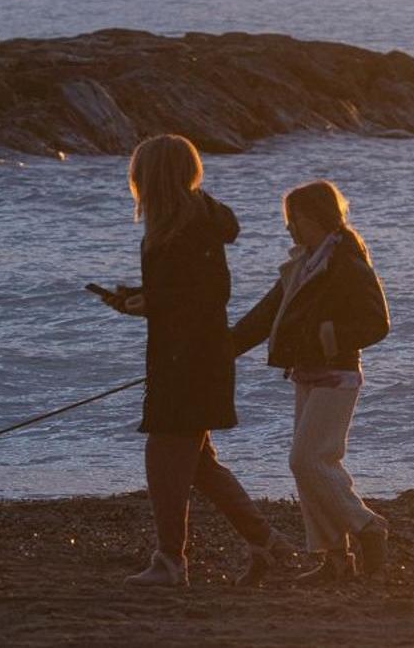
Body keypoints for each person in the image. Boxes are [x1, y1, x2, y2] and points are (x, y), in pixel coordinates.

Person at [103, 134, 294, 587]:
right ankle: (268, 544)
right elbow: (187, 294)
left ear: (152, 177)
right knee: (199, 465)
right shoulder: (187, 221)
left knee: (164, 454)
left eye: (139, 174)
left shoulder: (187, 227)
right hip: (187, 356)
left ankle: (170, 561)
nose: (135, 182)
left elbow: (207, 297)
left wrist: (151, 303)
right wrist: (140, 298)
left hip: (190, 362)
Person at [231, 179, 391, 584]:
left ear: (316, 217)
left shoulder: (347, 262)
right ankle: (336, 560)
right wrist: (218, 349)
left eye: (293, 219)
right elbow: (263, 318)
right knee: (310, 465)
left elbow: (377, 323)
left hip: (338, 374)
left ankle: (368, 527)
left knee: (309, 460)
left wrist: (330, 336)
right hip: (306, 374)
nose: (288, 228)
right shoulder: (302, 265)